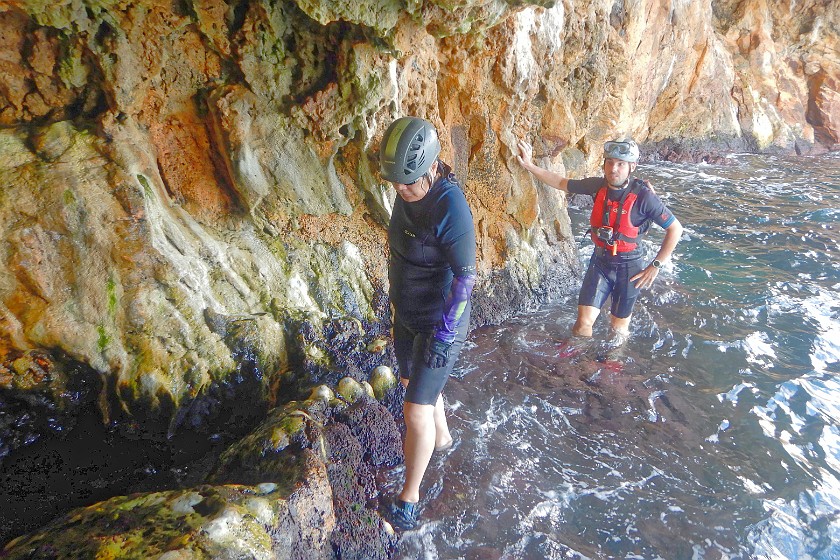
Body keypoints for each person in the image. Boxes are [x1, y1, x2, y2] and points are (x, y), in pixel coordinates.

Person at [379, 116, 477, 529]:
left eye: (411, 183)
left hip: (441, 323)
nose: (403, 191)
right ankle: (445, 441)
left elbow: (466, 277)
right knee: (413, 389)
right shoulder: (407, 187)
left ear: (432, 167)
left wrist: (444, 335)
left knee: (413, 411)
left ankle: (409, 498)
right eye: (397, 184)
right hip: (408, 315)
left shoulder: (450, 207)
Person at [516, 137, 683, 351]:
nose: (614, 168)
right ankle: (575, 363)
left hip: (629, 268)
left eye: (621, 163)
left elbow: (675, 229)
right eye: (610, 162)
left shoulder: (644, 197)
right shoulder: (597, 185)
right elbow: (560, 182)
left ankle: (611, 369)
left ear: (632, 166)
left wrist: (656, 265)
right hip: (601, 262)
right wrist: (529, 165)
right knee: (583, 323)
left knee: (618, 330)